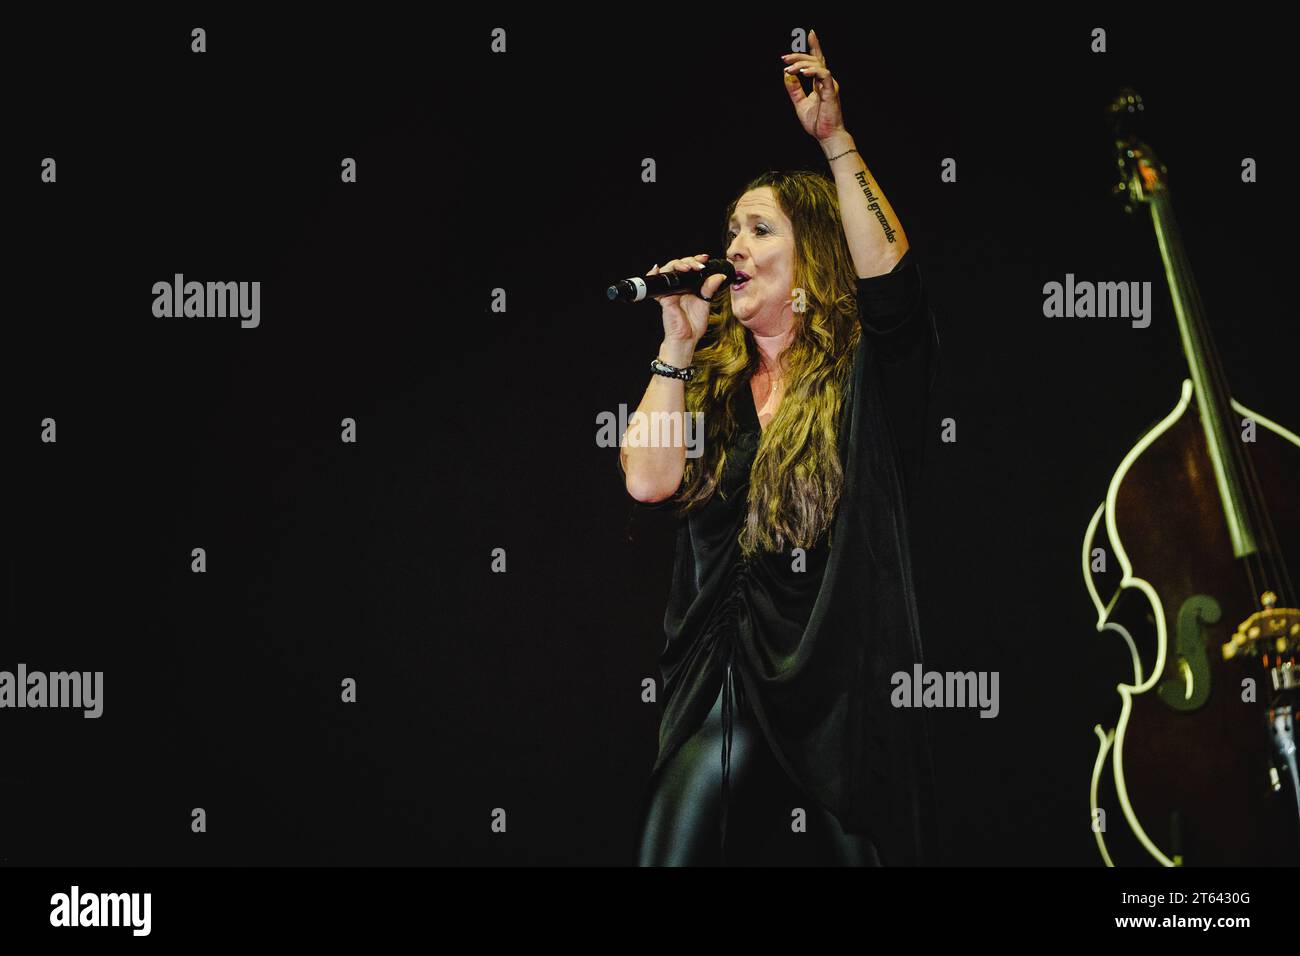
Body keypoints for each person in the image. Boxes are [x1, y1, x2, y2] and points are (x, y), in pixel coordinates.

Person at [619, 29, 940, 866]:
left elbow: (895, 288)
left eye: (758, 229)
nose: (733, 248)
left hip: (839, 698)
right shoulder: (714, 385)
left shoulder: (861, 379)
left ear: (811, 258)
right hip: (718, 691)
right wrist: (678, 346)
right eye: (730, 230)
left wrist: (834, 139)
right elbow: (648, 482)